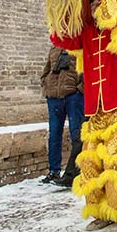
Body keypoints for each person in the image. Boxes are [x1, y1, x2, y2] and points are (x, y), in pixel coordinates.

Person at [40, 46, 85, 183]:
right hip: (54, 97)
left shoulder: (79, 46)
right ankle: (54, 171)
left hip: (73, 96)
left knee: (76, 135)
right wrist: (46, 85)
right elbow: (47, 69)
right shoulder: (54, 49)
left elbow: (87, 70)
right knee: (54, 135)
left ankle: (76, 171)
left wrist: (79, 90)